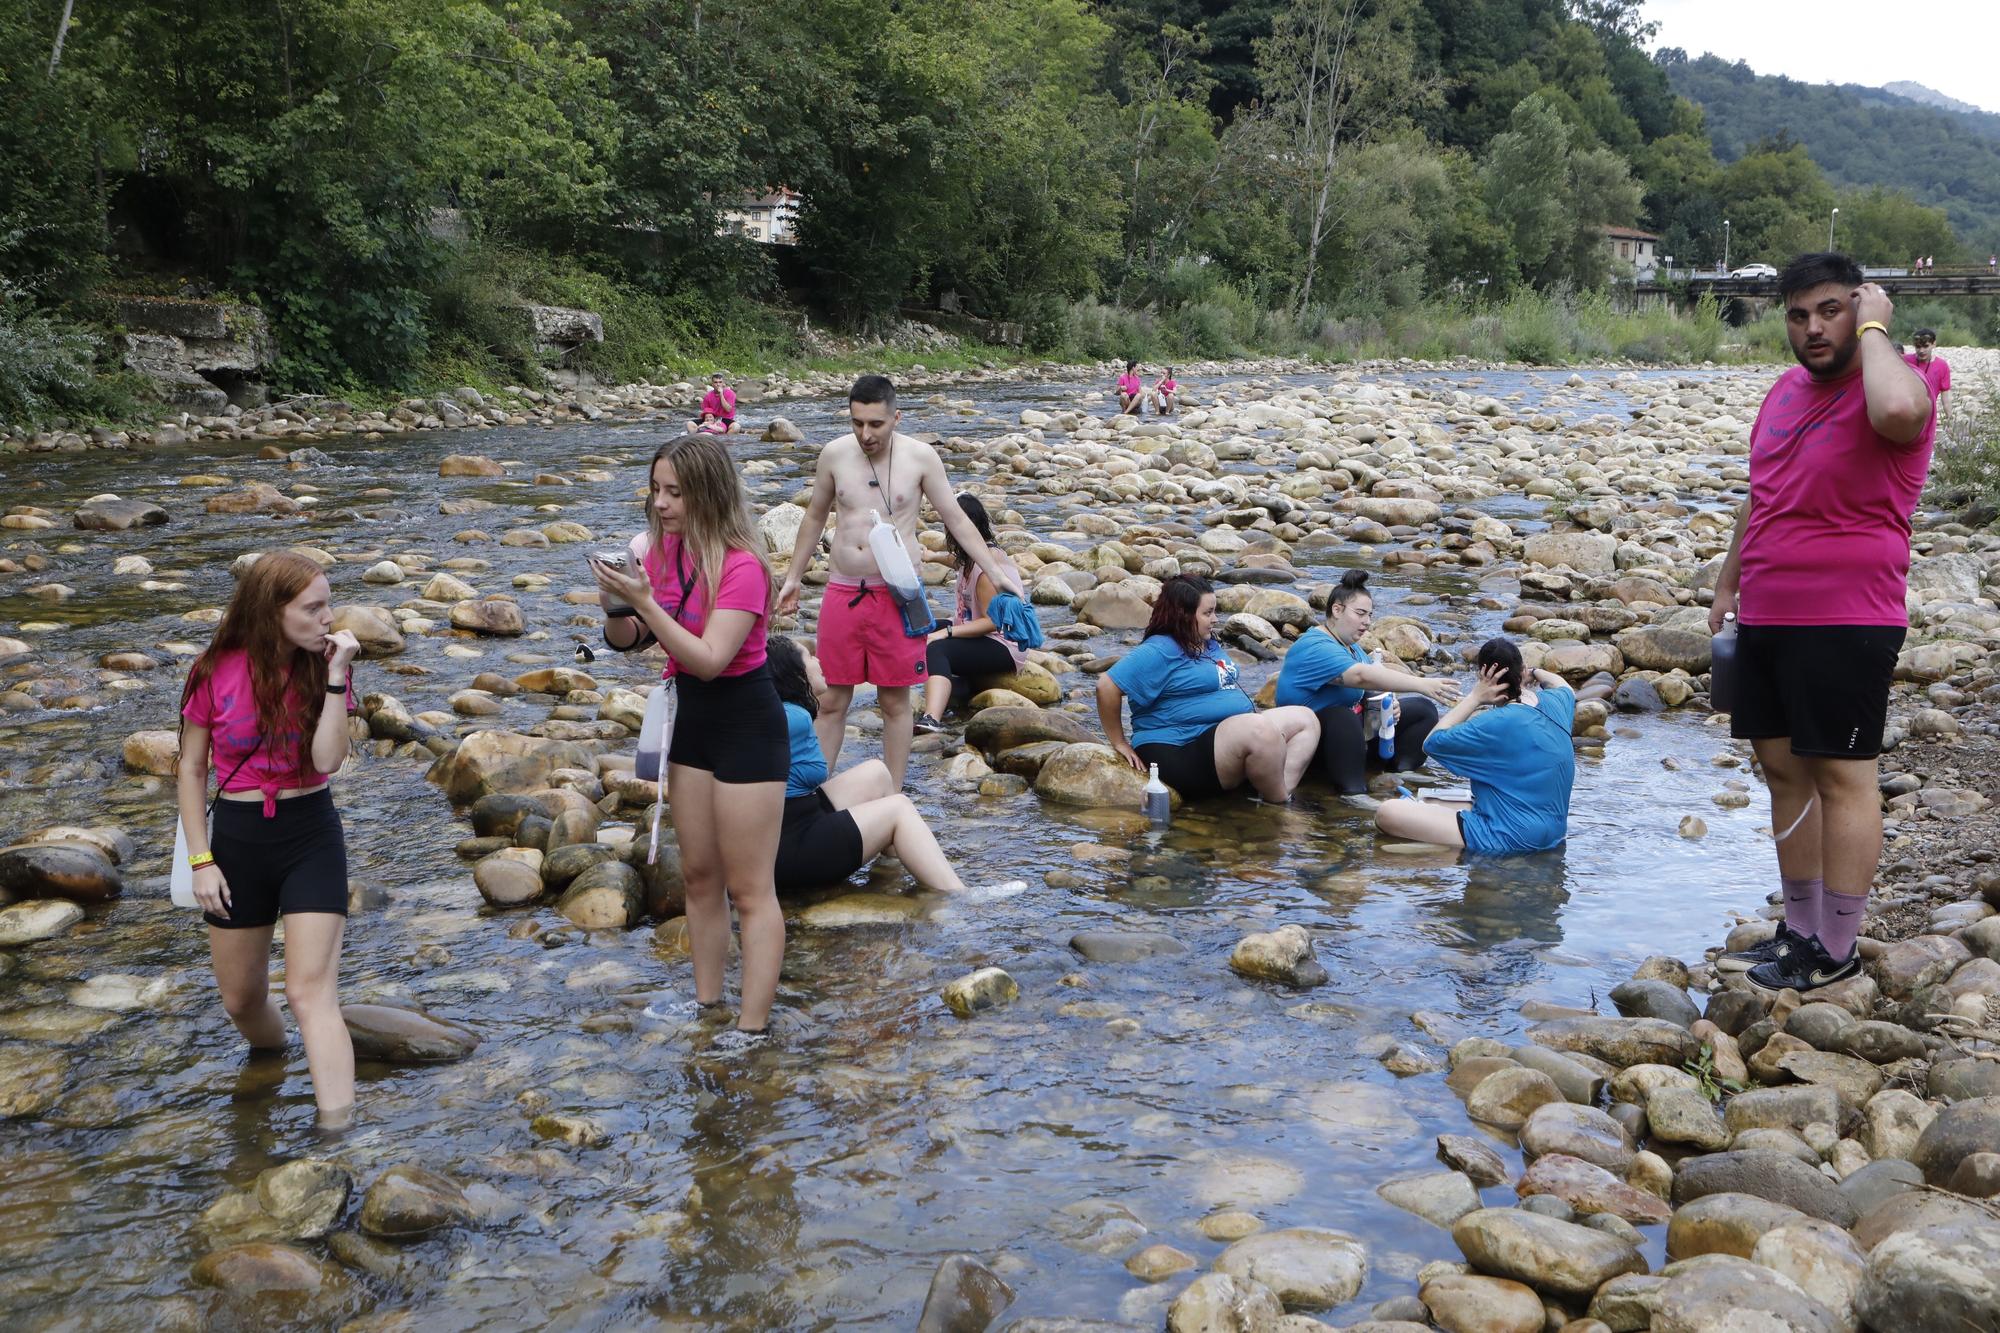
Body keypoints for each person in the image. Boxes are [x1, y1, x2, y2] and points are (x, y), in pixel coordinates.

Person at [1710, 252, 1936, 994]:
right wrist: (1729, 578)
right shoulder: (1781, 392)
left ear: (1862, 309)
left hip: (1847, 615)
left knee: (1842, 776)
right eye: (1800, 314)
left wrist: (1876, 326)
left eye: (1831, 310)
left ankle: (1836, 946)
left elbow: (1898, 414)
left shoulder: (1900, 383)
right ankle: (1801, 926)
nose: (1813, 328)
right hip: (1769, 610)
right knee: (1782, 771)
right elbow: (1761, 492)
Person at [591, 433, 787, 1045]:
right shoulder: (664, 556)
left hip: (746, 722)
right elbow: (632, 645)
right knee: (699, 878)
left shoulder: (743, 566)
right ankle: (710, 1009)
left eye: (675, 492)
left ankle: (752, 1030)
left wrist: (646, 606)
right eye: (655, 490)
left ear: (708, 494)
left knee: (750, 888)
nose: (662, 504)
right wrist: (617, 608)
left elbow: (708, 657)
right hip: (692, 722)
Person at [176, 550, 361, 1126]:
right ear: (271, 611)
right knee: (241, 1000)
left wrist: (335, 680)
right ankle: (268, 1064)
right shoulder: (213, 670)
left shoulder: (326, 666)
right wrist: (202, 860)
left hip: (311, 834)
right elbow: (190, 769)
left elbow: (328, 759)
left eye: (328, 603)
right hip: (236, 839)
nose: (328, 617)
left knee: (311, 995)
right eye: (313, 607)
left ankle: (339, 1136)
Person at [777, 375, 1023, 788]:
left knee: (894, 701)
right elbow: (815, 516)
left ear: (896, 418)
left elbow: (956, 519)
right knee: (834, 699)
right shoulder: (835, 454)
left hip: (897, 597)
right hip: (843, 590)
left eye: (875, 424)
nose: (865, 434)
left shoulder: (921, 458)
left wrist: (996, 574)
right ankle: (811, 794)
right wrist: (793, 578)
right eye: (857, 423)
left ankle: (892, 797)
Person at [767, 636, 1021, 899]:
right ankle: (960, 895)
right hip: (793, 850)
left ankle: (895, 857)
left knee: (876, 772)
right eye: (809, 657)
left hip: (796, 822)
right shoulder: (791, 717)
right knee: (899, 808)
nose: (819, 661)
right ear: (794, 674)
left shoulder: (792, 711)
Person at [1097, 575, 1320, 802]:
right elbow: (1107, 686)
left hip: (1217, 741)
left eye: (1214, 611)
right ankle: (1280, 806)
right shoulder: (1159, 649)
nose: (1215, 619)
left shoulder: (1206, 642)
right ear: (1182, 615)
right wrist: (1119, 742)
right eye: (1207, 613)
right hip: (1178, 749)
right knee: (1259, 728)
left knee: (1305, 719)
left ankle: (1278, 791)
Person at [1274, 569, 1461, 810]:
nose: (1367, 622)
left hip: (1348, 740)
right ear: (1337, 610)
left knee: (1422, 709)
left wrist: (1388, 705)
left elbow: (1370, 687)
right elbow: (1362, 677)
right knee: (1340, 715)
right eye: (1360, 613)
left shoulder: (1350, 647)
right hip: (1309, 746)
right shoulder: (1314, 646)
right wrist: (1423, 684)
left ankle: (1400, 772)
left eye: (1370, 615)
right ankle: (1353, 790)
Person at [1372, 638, 1576, 854]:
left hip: (1509, 837)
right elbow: (1563, 685)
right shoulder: (1557, 702)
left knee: (1387, 812)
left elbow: (1432, 743)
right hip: (1554, 833)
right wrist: (1534, 671)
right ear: (1522, 670)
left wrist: (1474, 698)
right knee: (1428, 799)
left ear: (1482, 676)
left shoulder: (1495, 722)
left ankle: (1449, 853)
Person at [915, 493, 1027, 734]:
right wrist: (932, 556)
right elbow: (956, 561)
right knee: (923, 628)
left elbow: (992, 623)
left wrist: (947, 633)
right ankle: (953, 688)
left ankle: (932, 719)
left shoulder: (987, 567)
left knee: (936, 647)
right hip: (979, 634)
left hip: (1004, 644)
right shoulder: (973, 553)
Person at [1904, 328, 1951, 423]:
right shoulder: (1904, 361)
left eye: (1925, 346)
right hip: (1907, 412)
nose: (1921, 350)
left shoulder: (1942, 366)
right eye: (1918, 347)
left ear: (1934, 344)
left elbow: (1945, 396)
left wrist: (1949, 417)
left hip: (1929, 414)